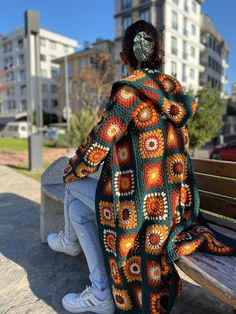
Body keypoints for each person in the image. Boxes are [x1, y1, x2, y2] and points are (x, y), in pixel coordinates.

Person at [47, 20, 236, 314]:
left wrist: (73, 168)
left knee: (73, 187)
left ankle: (93, 281)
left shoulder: (128, 94)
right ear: (158, 53)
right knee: (77, 207)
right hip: (175, 207)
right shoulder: (173, 89)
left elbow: (96, 148)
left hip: (140, 211)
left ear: (125, 57)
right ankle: (88, 273)